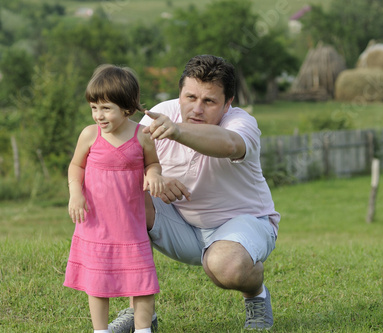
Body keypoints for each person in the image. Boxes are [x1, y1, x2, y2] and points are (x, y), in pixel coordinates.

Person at [108, 55, 280, 332]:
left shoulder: (241, 124)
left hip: (242, 224)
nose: (196, 109)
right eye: (190, 97)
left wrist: (177, 131)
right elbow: (126, 168)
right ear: (180, 94)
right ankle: (141, 312)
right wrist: (155, 180)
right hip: (180, 225)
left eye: (209, 101)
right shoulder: (161, 113)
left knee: (226, 266)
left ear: (228, 103)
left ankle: (256, 295)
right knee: (126, 197)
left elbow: (228, 145)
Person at [64, 64, 166, 333]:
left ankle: (143, 329)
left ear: (127, 108)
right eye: (94, 107)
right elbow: (76, 167)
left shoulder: (142, 136)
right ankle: (101, 330)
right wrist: (76, 193)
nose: (99, 115)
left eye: (106, 108)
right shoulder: (89, 135)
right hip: (96, 225)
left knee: (141, 281)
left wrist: (154, 174)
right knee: (97, 283)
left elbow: (152, 164)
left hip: (130, 225)